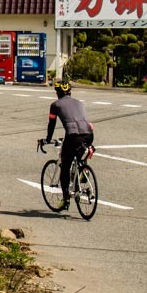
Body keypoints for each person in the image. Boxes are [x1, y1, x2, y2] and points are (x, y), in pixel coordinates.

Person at [44, 78, 94, 211]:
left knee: (65, 166)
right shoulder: (79, 102)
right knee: (80, 153)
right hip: (89, 134)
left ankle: (66, 199)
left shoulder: (55, 105)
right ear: (70, 92)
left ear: (57, 93)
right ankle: (83, 169)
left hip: (72, 136)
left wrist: (48, 139)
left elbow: (51, 125)